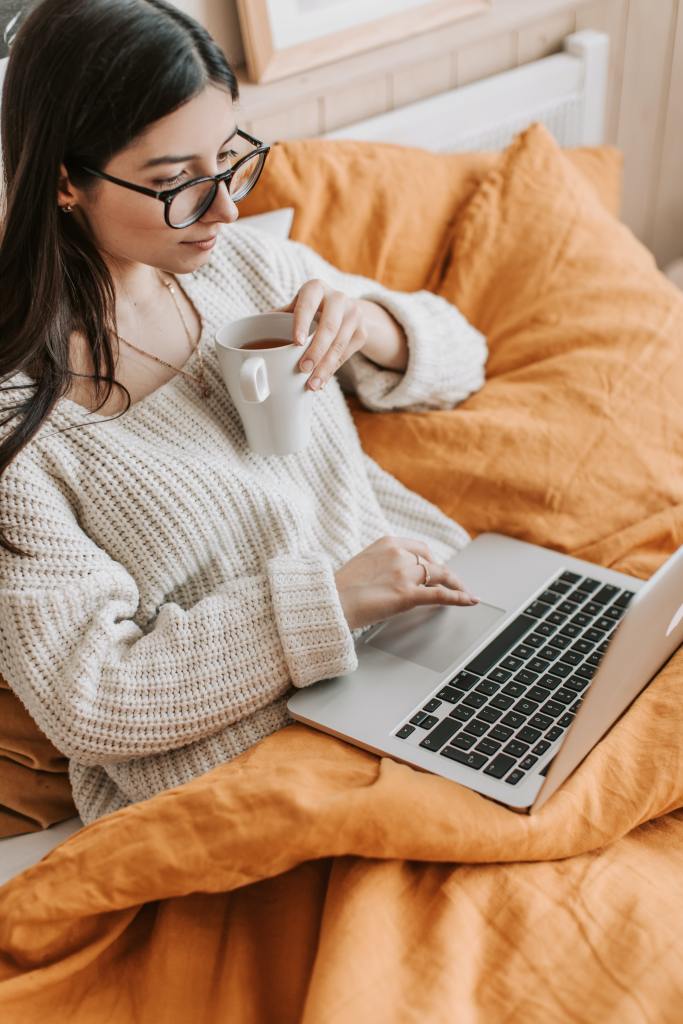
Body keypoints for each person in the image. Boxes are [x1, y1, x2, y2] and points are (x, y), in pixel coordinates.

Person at [0, 0, 487, 825]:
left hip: (424, 636)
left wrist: (367, 325)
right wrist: (327, 601)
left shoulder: (251, 270)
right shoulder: (23, 422)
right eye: (175, 184)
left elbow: (462, 355)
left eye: (228, 161)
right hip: (254, 760)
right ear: (62, 179)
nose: (224, 208)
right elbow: (91, 698)